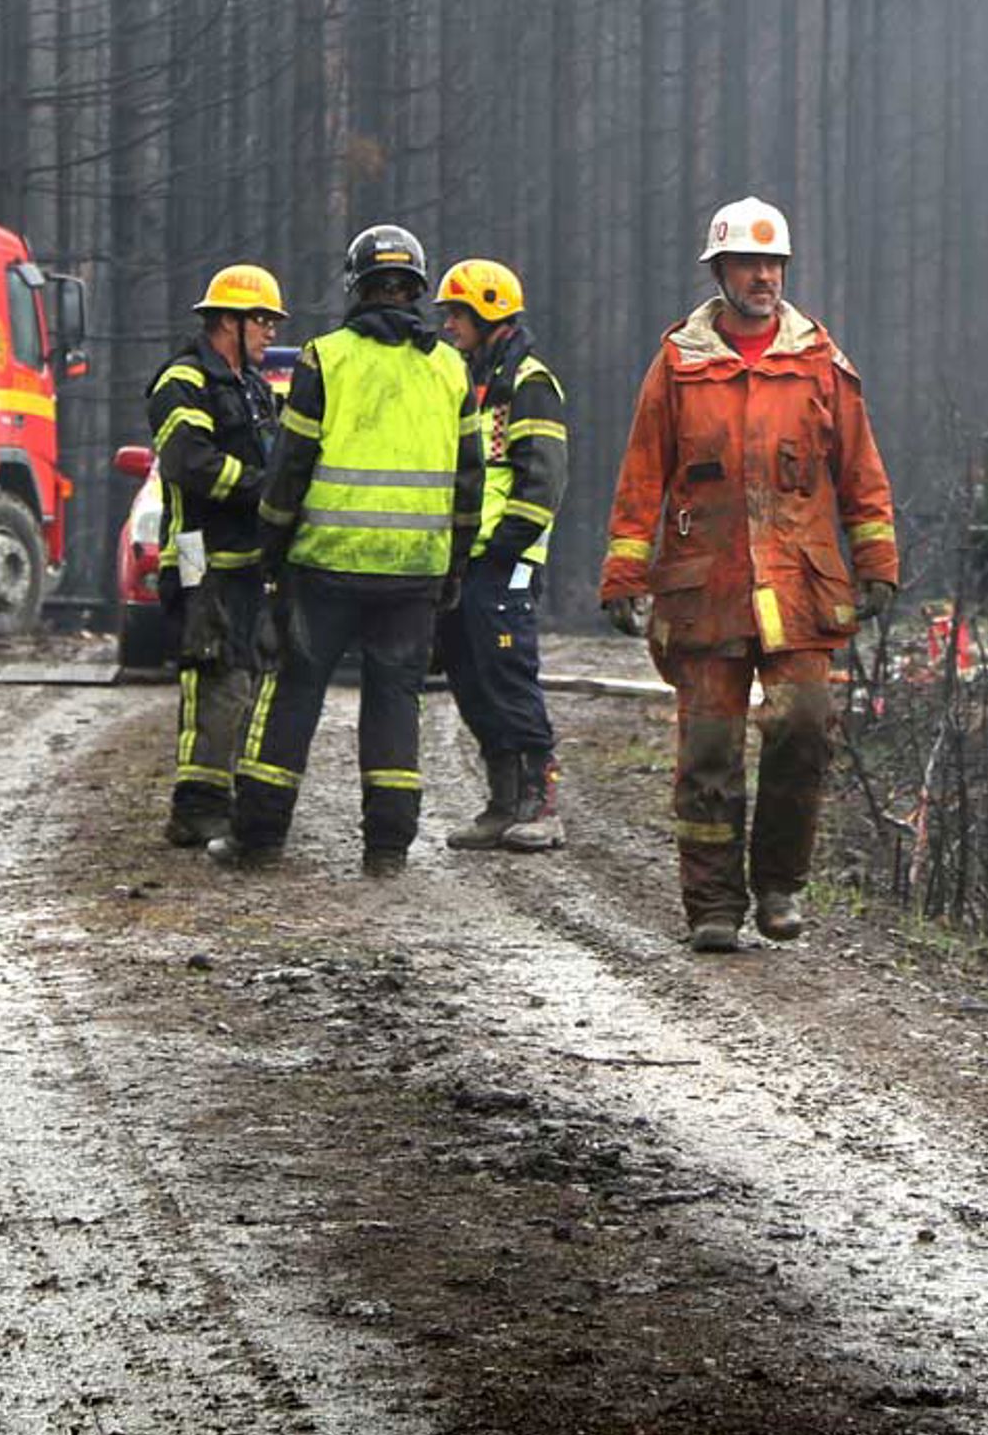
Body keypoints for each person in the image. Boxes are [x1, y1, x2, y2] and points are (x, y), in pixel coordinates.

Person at [597, 198, 901, 954]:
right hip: (707, 589)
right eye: (747, 264)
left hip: (800, 586)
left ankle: (778, 884)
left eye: (773, 264)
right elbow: (641, 476)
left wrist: (877, 560)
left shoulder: (819, 362)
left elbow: (861, 471)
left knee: (804, 726)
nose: (763, 276)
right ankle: (712, 903)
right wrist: (625, 573)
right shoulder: (679, 365)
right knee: (709, 749)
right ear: (720, 272)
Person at [229, 225, 482, 873]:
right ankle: (388, 848)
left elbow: (289, 468)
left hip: (325, 564)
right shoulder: (451, 369)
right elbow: (469, 481)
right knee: (396, 700)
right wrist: (453, 567)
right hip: (415, 572)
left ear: (356, 287)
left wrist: (271, 551)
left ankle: (259, 838)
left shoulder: (326, 358)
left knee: (294, 691)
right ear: (416, 290)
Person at [144, 263, 289, 847]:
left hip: (246, 560)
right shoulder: (183, 380)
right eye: (263, 320)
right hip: (196, 555)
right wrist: (263, 489)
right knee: (213, 675)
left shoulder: (251, 387)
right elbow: (189, 463)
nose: (271, 332)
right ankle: (196, 807)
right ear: (228, 321)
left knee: (246, 677)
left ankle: (225, 800)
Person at [433, 258, 572, 854]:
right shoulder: (466, 377)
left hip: (505, 559)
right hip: (466, 558)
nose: (448, 326)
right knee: (470, 676)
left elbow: (543, 477)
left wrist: (508, 545)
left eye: (456, 314)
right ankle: (502, 802)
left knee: (509, 673)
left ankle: (541, 805)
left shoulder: (529, 382)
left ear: (488, 313)